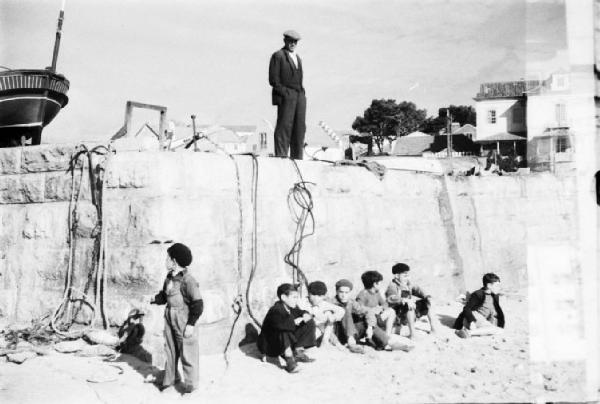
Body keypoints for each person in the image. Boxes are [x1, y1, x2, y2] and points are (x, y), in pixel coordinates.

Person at [150, 243, 203, 394]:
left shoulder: (188, 280)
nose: (165, 261)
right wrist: (153, 299)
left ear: (174, 261)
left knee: (188, 353)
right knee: (170, 350)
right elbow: (164, 296)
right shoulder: (169, 278)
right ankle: (170, 380)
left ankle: (191, 386)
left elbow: (198, 304)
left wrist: (191, 324)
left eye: (167, 257)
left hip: (184, 320)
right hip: (169, 318)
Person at [257, 283, 316, 373]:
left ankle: (297, 352)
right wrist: (295, 321)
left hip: (282, 342)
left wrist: (304, 314)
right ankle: (289, 360)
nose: (296, 300)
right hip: (270, 345)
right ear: (284, 297)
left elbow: (300, 311)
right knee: (284, 329)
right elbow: (282, 325)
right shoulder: (276, 310)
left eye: (297, 297)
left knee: (308, 322)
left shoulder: (289, 307)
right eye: (294, 297)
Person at [268, 29, 306, 159]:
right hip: (287, 96)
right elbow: (273, 80)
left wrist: (302, 94)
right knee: (284, 127)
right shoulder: (278, 56)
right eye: (290, 41)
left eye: (295, 41)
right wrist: (285, 93)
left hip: (299, 95)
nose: (293, 43)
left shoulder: (298, 58)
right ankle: (281, 158)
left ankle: (297, 160)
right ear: (285, 41)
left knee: (299, 129)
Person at [385, 263, 437, 339]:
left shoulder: (408, 284)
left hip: (409, 312)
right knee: (409, 307)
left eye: (408, 275)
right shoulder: (392, 285)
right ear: (396, 276)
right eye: (405, 276)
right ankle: (412, 334)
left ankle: (433, 328)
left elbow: (417, 289)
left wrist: (426, 296)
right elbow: (391, 298)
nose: (407, 278)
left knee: (427, 302)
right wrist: (404, 300)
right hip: (398, 314)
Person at [453, 273, 505, 338]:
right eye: (497, 285)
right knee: (496, 330)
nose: (499, 288)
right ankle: (469, 332)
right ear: (489, 285)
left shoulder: (495, 296)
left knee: (499, 330)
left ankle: (468, 332)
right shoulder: (478, 294)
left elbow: (493, 311)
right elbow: (467, 308)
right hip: (473, 318)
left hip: (482, 320)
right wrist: (471, 322)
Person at [303, 281, 346, 347]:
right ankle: (334, 343)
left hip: (318, 332)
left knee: (328, 314)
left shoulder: (323, 304)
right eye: (313, 295)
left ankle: (325, 342)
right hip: (304, 331)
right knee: (323, 319)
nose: (316, 298)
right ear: (308, 294)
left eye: (319, 296)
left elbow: (341, 310)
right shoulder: (303, 303)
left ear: (324, 296)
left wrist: (333, 317)